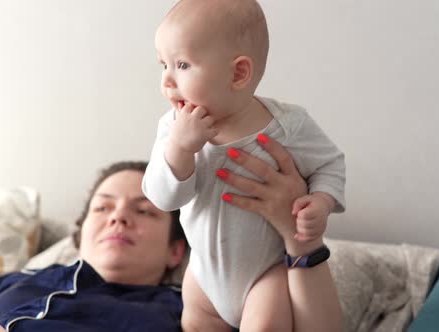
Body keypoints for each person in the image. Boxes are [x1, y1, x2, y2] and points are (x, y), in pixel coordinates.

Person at [0, 137, 342, 331]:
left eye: (144, 211)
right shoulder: (14, 283)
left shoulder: (194, 309)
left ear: (176, 251)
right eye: (103, 207)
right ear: (78, 237)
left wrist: (302, 237)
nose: (118, 218)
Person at [142, 0, 346, 330]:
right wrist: (180, 150)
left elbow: (330, 164)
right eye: (162, 64)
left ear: (238, 73)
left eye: (181, 65)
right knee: (194, 324)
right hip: (204, 275)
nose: (167, 80)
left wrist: (321, 201)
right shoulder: (172, 129)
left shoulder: (287, 126)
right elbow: (163, 199)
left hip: (264, 274)